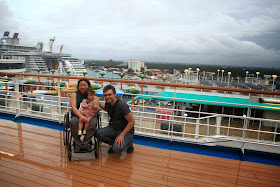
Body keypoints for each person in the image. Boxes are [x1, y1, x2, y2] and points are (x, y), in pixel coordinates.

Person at [95, 85, 135, 154]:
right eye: (105, 95)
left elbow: (131, 122)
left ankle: (129, 144)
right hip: (114, 128)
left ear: (115, 94)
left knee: (117, 149)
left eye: (109, 95)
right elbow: (105, 108)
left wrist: (122, 135)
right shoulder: (108, 103)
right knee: (98, 133)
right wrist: (97, 102)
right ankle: (115, 144)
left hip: (125, 130)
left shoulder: (122, 105)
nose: (107, 97)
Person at [70, 78, 100, 153]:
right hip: (77, 115)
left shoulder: (94, 96)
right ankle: (78, 144)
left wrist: (88, 111)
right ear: (78, 86)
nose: (83, 87)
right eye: (81, 85)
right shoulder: (75, 94)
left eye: (85, 85)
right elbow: (73, 107)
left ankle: (85, 143)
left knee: (93, 123)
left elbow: (97, 109)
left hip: (90, 115)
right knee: (73, 122)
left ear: (88, 86)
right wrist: (81, 116)